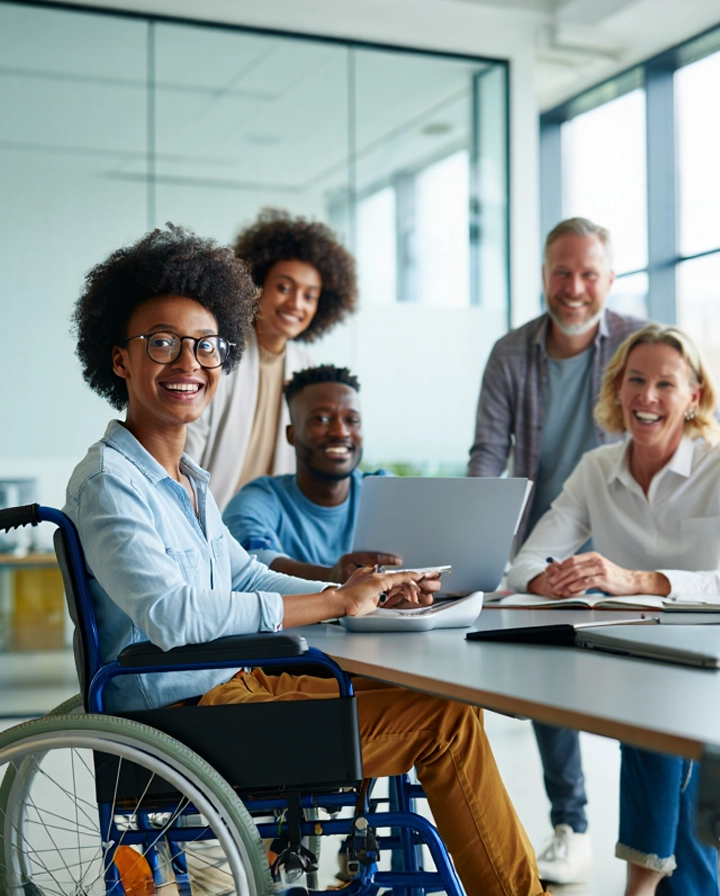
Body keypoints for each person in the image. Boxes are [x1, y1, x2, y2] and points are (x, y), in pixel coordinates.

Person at [64, 224, 546, 896]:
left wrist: (358, 586)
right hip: (184, 722)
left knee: (440, 703)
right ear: (120, 359)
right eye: (162, 343)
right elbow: (174, 616)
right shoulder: (110, 481)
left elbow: (242, 575)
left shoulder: (186, 480)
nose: (188, 363)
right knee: (445, 725)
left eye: (205, 346)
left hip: (234, 695)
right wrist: (331, 603)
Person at [508, 323, 720, 896]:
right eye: (635, 380)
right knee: (655, 708)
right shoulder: (597, 469)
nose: (646, 397)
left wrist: (639, 580)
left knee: (663, 719)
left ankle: (644, 889)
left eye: (665, 384)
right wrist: (552, 577)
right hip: (635, 655)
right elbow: (522, 566)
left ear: (694, 396)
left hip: (711, 662)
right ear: (617, 388)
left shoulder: (718, 466)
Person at [467, 216, 645, 883]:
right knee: (549, 677)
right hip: (548, 539)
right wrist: (478, 541)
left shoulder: (634, 343)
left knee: (640, 686)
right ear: (544, 275)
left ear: (610, 277)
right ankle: (572, 823)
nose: (574, 288)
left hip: (628, 531)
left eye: (588, 273)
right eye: (561, 273)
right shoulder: (512, 353)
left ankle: (650, 836)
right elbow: (489, 451)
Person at [185, 208, 358, 511]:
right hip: (205, 518)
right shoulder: (215, 354)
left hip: (266, 529)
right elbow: (186, 451)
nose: (296, 303)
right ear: (255, 285)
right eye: (284, 287)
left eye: (309, 295)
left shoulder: (306, 368)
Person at [223, 364, 400, 584]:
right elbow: (249, 565)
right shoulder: (259, 500)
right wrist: (332, 578)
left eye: (352, 421)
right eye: (322, 419)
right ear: (292, 434)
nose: (341, 432)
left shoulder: (386, 491)